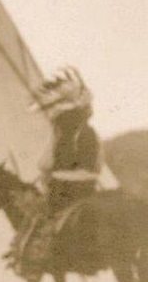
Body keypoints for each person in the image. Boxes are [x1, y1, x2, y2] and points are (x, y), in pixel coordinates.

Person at [9, 68, 102, 269]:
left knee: (38, 217)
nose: (57, 119)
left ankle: (33, 259)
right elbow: (45, 163)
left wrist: (56, 176)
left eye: (61, 115)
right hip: (61, 188)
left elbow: (90, 170)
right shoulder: (63, 136)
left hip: (74, 192)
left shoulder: (85, 135)